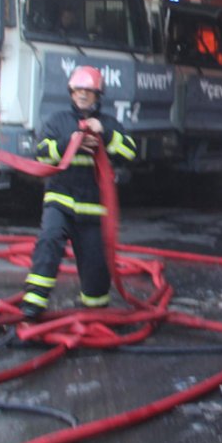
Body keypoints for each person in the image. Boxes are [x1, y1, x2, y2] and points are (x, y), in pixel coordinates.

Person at [20, 65, 137, 319]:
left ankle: (95, 316)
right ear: (71, 92)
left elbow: (130, 152)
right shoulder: (57, 121)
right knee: (49, 241)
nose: (83, 95)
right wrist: (70, 142)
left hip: (94, 211)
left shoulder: (108, 124)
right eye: (78, 90)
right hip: (60, 202)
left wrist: (105, 136)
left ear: (98, 95)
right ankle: (33, 303)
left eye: (89, 91)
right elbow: (41, 153)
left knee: (97, 276)